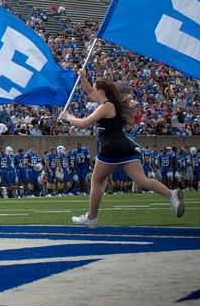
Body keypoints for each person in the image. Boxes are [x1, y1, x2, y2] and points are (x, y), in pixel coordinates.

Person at [59, 72, 183, 228]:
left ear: (102, 91)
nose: (92, 92)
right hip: (125, 146)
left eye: (95, 88)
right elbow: (89, 91)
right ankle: (171, 195)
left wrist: (67, 117)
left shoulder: (106, 106)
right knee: (141, 180)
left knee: (96, 181)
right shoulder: (108, 104)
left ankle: (91, 219)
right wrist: (83, 79)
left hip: (110, 147)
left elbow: (84, 123)